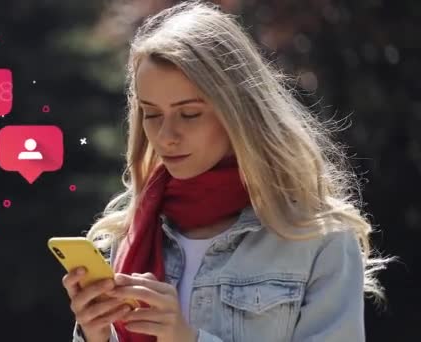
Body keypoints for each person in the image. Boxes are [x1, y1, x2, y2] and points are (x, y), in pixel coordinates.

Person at [61, 1, 397, 341]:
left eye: (189, 114)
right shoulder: (131, 232)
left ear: (238, 113)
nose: (166, 136)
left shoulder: (320, 239)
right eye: (152, 114)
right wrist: (94, 333)